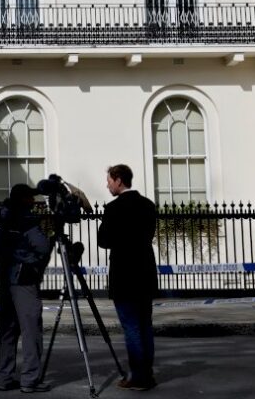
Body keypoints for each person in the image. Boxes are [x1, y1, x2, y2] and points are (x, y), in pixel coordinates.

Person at [0, 184, 52, 393]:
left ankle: (5, 376)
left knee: (7, 329)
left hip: (3, 276)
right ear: (24, 199)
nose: (34, 201)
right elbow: (42, 247)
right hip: (23, 279)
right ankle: (30, 379)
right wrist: (31, 261)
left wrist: (2, 258)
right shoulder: (27, 219)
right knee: (31, 329)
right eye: (31, 198)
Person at [98, 164, 158, 391]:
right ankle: (147, 373)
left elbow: (103, 241)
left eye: (109, 181)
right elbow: (148, 235)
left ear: (119, 180)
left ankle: (138, 377)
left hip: (124, 275)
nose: (107, 185)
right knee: (145, 325)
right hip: (145, 272)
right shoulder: (148, 205)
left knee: (131, 327)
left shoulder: (113, 208)